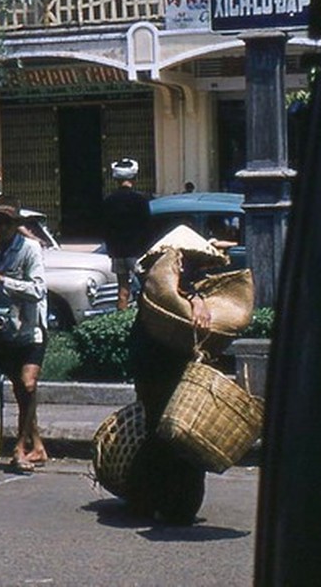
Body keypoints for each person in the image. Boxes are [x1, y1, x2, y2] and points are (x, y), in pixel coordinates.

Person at [124, 236, 218, 526]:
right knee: (162, 432)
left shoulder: (189, 283)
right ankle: (157, 500)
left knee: (174, 434)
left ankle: (168, 502)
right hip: (155, 366)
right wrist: (195, 299)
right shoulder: (158, 282)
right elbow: (172, 298)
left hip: (171, 366)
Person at [0, 200, 49, 474]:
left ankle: (19, 448)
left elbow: (37, 289)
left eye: (6, 223)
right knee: (20, 392)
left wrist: (2, 280)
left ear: (15, 224)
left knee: (28, 384)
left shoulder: (30, 249)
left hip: (30, 328)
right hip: (3, 330)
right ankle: (37, 445)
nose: (1, 228)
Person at [101, 158, 151, 311]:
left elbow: (105, 228)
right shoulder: (141, 200)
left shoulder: (109, 201)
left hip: (118, 253)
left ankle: (121, 319)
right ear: (134, 177)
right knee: (147, 288)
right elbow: (147, 226)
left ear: (116, 178)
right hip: (137, 253)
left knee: (122, 289)